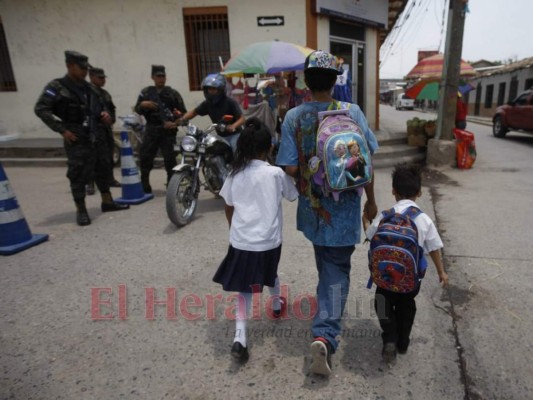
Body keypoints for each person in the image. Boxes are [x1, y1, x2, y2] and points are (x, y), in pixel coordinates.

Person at [275, 50, 379, 376]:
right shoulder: (352, 111)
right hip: (346, 209)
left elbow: (289, 165)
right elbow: (366, 161)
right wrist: (371, 202)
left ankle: (325, 329)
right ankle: (326, 332)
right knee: (335, 267)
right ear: (335, 81)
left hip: (314, 210)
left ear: (306, 81)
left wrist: (311, 168)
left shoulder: (295, 117)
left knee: (328, 263)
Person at [213, 117, 298, 361]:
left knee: (244, 289)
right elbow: (293, 195)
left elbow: (228, 206)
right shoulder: (275, 174)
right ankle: (276, 305)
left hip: (242, 241)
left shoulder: (234, 174)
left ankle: (240, 337)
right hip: (269, 241)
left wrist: (234, 230)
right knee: (270, 271)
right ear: (269, 147)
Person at [362, 163, 449, 364]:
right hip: (410, 281)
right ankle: (402, 341)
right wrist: (441, 272)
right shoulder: (424, 219)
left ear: (393, 190)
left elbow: (369, 236)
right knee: (407, 306)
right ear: (419, 192)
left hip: (384, 279)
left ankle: (390, 336)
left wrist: (365, 219)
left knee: (382, 303)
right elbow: (434, 248)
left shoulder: (385, 215)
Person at [34, 51, 129, 226]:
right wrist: (61, 129)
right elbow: (41, 109)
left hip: (96, 133)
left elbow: (103, 108)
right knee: (77, 172)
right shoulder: (57, 87)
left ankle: (107, 201)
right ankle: (81, 210)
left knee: (103, 167)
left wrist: (105, 116)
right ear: (69, 66)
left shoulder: (90, 89)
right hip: (75, 134)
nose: (84, 72)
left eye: (86, 68)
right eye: (81, 68)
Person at [135, 65, 187, 193]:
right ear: (152, 77)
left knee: (170, 159)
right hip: (152, 129)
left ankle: (171, 185)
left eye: (163, 76)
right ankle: (145, 184)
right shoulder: (146, 92)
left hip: (168, 131)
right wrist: (143, 104)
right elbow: (137, 109)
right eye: (158, 76)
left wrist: (174, 123)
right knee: (146, 157)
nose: (161, 79)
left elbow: (183, 114)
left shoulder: (173, 93)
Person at [179, 73, 245, 153]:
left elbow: (242, 119)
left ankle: (240, 165)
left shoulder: (230, 102)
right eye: (209, 89)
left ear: (220, 89)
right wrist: (183, 119)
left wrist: (232, 126)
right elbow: (194, 112)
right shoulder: (207, 103)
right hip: (220, 137)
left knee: (236, 153)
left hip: (234, 135)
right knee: (212, 153)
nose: (211, 91)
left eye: (214, 89)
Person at [86, 67, 121, 195]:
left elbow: (112, 110)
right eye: (100, 78)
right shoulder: (86, 92)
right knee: (92, 158)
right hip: (92, 130)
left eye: (103, 78)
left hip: (105, 130)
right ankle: (90, 183)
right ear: (91, 77)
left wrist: (110, 119)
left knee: (109, 156)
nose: (103, 80)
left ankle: (110, 179)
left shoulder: (105, 94)